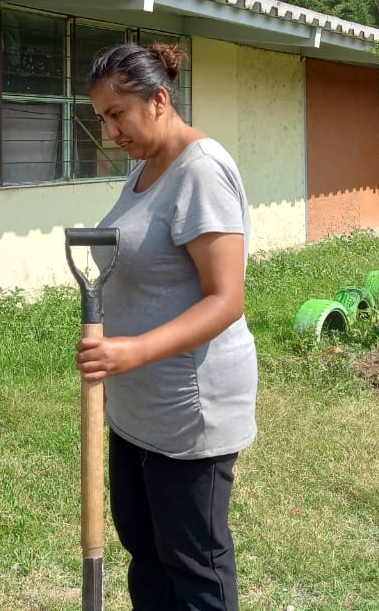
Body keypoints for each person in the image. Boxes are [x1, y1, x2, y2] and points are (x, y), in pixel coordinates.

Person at [76, 42, 257, 611]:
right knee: (147, 556)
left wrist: (133, 350)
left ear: (158, 100)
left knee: (193, 566)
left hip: (188, 410)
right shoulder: (147, 168)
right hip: (137, 410)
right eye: (102, 117)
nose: (109, 131)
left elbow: (226, 299)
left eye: (117, 114)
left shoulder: (201, 171)